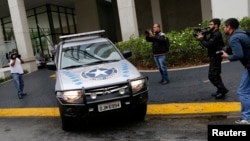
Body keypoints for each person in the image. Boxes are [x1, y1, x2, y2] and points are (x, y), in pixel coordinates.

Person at [222, 18, 250, 124]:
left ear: (229, 27)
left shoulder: (234, 38)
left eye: (224, 26)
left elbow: (239, 55)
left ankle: (246, 118)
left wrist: (227, 56)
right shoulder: (243, 33)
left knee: (242, 91)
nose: (224, 28)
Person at [196, 18, 228, 99]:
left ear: (216, 25)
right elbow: (207, 42)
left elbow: (208, 44)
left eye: (211, 24)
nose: (209, 26)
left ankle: (222, 90)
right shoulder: (213, 33)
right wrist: (204, 36)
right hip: (213, 56)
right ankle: (220, 90)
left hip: (216, 56)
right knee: (215, 74)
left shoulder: (217, 34)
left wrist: (201, 39)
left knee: (213, 75)